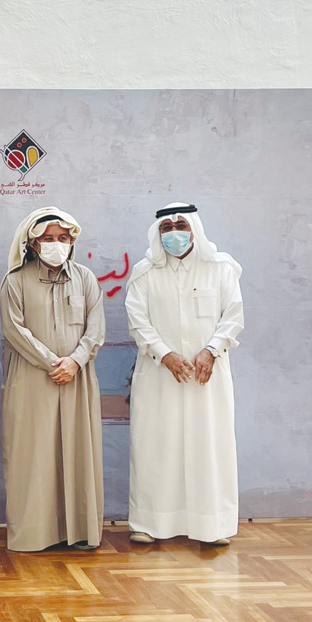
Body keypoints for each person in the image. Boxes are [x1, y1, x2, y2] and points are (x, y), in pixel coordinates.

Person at [124, 202, 244, 546]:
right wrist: (166, 355)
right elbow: (138, 321)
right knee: (155, 445)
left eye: (181, 225)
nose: (174, 233)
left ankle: (213, 524)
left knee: (209, 445)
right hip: (160, 373)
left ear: (194, 229)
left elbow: (233, 315)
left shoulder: (219, 268)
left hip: (208, 374)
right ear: (157, 233)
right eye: (166, 228)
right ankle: (149, 523)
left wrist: (211, 350)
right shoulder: (146, 272)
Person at [0, 207, 106, 552]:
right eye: (48, 239)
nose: (56, 245)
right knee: (33, 457)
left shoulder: (86, 278)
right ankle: (35, 534)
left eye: (62, 239)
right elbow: (14, 330)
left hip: (77, 379)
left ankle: (80, 532)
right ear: (32, 243)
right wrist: (51, 363)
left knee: (79, 453)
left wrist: (74, 361)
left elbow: (96, 327)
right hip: (32, 379)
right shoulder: (15, 280)